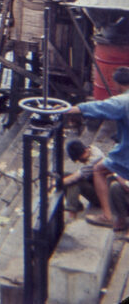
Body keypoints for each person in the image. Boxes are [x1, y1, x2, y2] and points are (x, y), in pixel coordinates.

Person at [66, 66, 129, 229]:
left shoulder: (122, 101)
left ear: (118, 84)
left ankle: (107, 216)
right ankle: (120, 218)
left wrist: (71, 109)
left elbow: (99, 107)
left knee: (99, 170)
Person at [63, 139, 103, 216]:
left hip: (101, 198)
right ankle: (76, 205)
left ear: (85, 150)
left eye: (81, 159)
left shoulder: (94, 160)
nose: (81, 161)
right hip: (94, 185)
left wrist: (56, 183)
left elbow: (74, 178)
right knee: (65, 175)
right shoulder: (92, 149)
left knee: (76, 181)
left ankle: (72, 209)